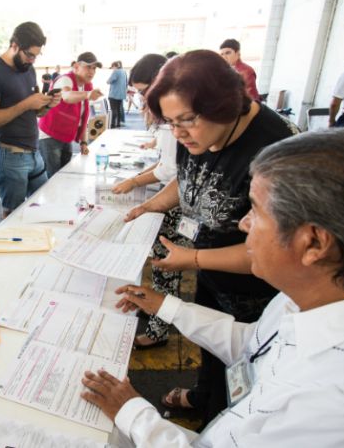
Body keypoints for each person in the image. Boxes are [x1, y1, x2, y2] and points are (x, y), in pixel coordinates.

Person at [82, 128, 344, 447]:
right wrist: (164, 306)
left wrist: (132, 413)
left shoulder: (341, 405)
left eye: (257, 211)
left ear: (314, 243)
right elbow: (254, 345)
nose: (243, 223)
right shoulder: (311, 297)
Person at [118, 50, 295, 426]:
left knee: (245, 376)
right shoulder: (201, 134)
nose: (178, 134)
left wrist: (193, 259)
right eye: (170, 123)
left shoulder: (277, 152)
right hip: (211, 272)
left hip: (256, 291)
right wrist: (149, 207)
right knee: (210, 349)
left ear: (224, 105)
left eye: (187, 121)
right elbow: (187, 180)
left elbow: (276, 249)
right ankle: (203, 395)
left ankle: (216, 417)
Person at [111, 53, 184, 349]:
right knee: (160, 265)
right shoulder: (168, 115)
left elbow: (170, 169)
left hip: (177, 202)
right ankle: (153, 308)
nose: (142, 98)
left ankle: (157, 331)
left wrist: (134, 182)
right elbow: (169, 163)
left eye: (144, 91)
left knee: (166, 266)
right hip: (173, 195)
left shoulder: (171, 118)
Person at [0, 21, 59, 218]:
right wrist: (26, 104)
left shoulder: (28, 69)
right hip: (10, 156)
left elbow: (34, 112)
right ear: (14, 45)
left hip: (34, 153)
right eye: (29, 55)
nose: (32, 60)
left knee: (43, 207)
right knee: (13, 216)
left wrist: (47, 105)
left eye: (36, 56)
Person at [38, 52, 102, 177]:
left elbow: (82, 117)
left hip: (66, 136)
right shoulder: (65, 79)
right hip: (50, 135)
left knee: (65, 174)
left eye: (94, 68)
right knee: (54, 178)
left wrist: (83, 142)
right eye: (88, 67)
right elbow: (67, 96)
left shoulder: (86, 86)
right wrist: (88, 94)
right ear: (76, 67)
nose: (92, 71)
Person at [107, 61, 128, 128]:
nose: (112, 69)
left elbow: (109, 81)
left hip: (114, 94)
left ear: (114, 66)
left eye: (112, 67)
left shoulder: (116, 72)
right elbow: (126, 83)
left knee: (114, 110)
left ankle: (113, 124)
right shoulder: (124, 72)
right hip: (121, 94)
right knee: (119, 109)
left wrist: (108, 80)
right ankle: (118, 124)